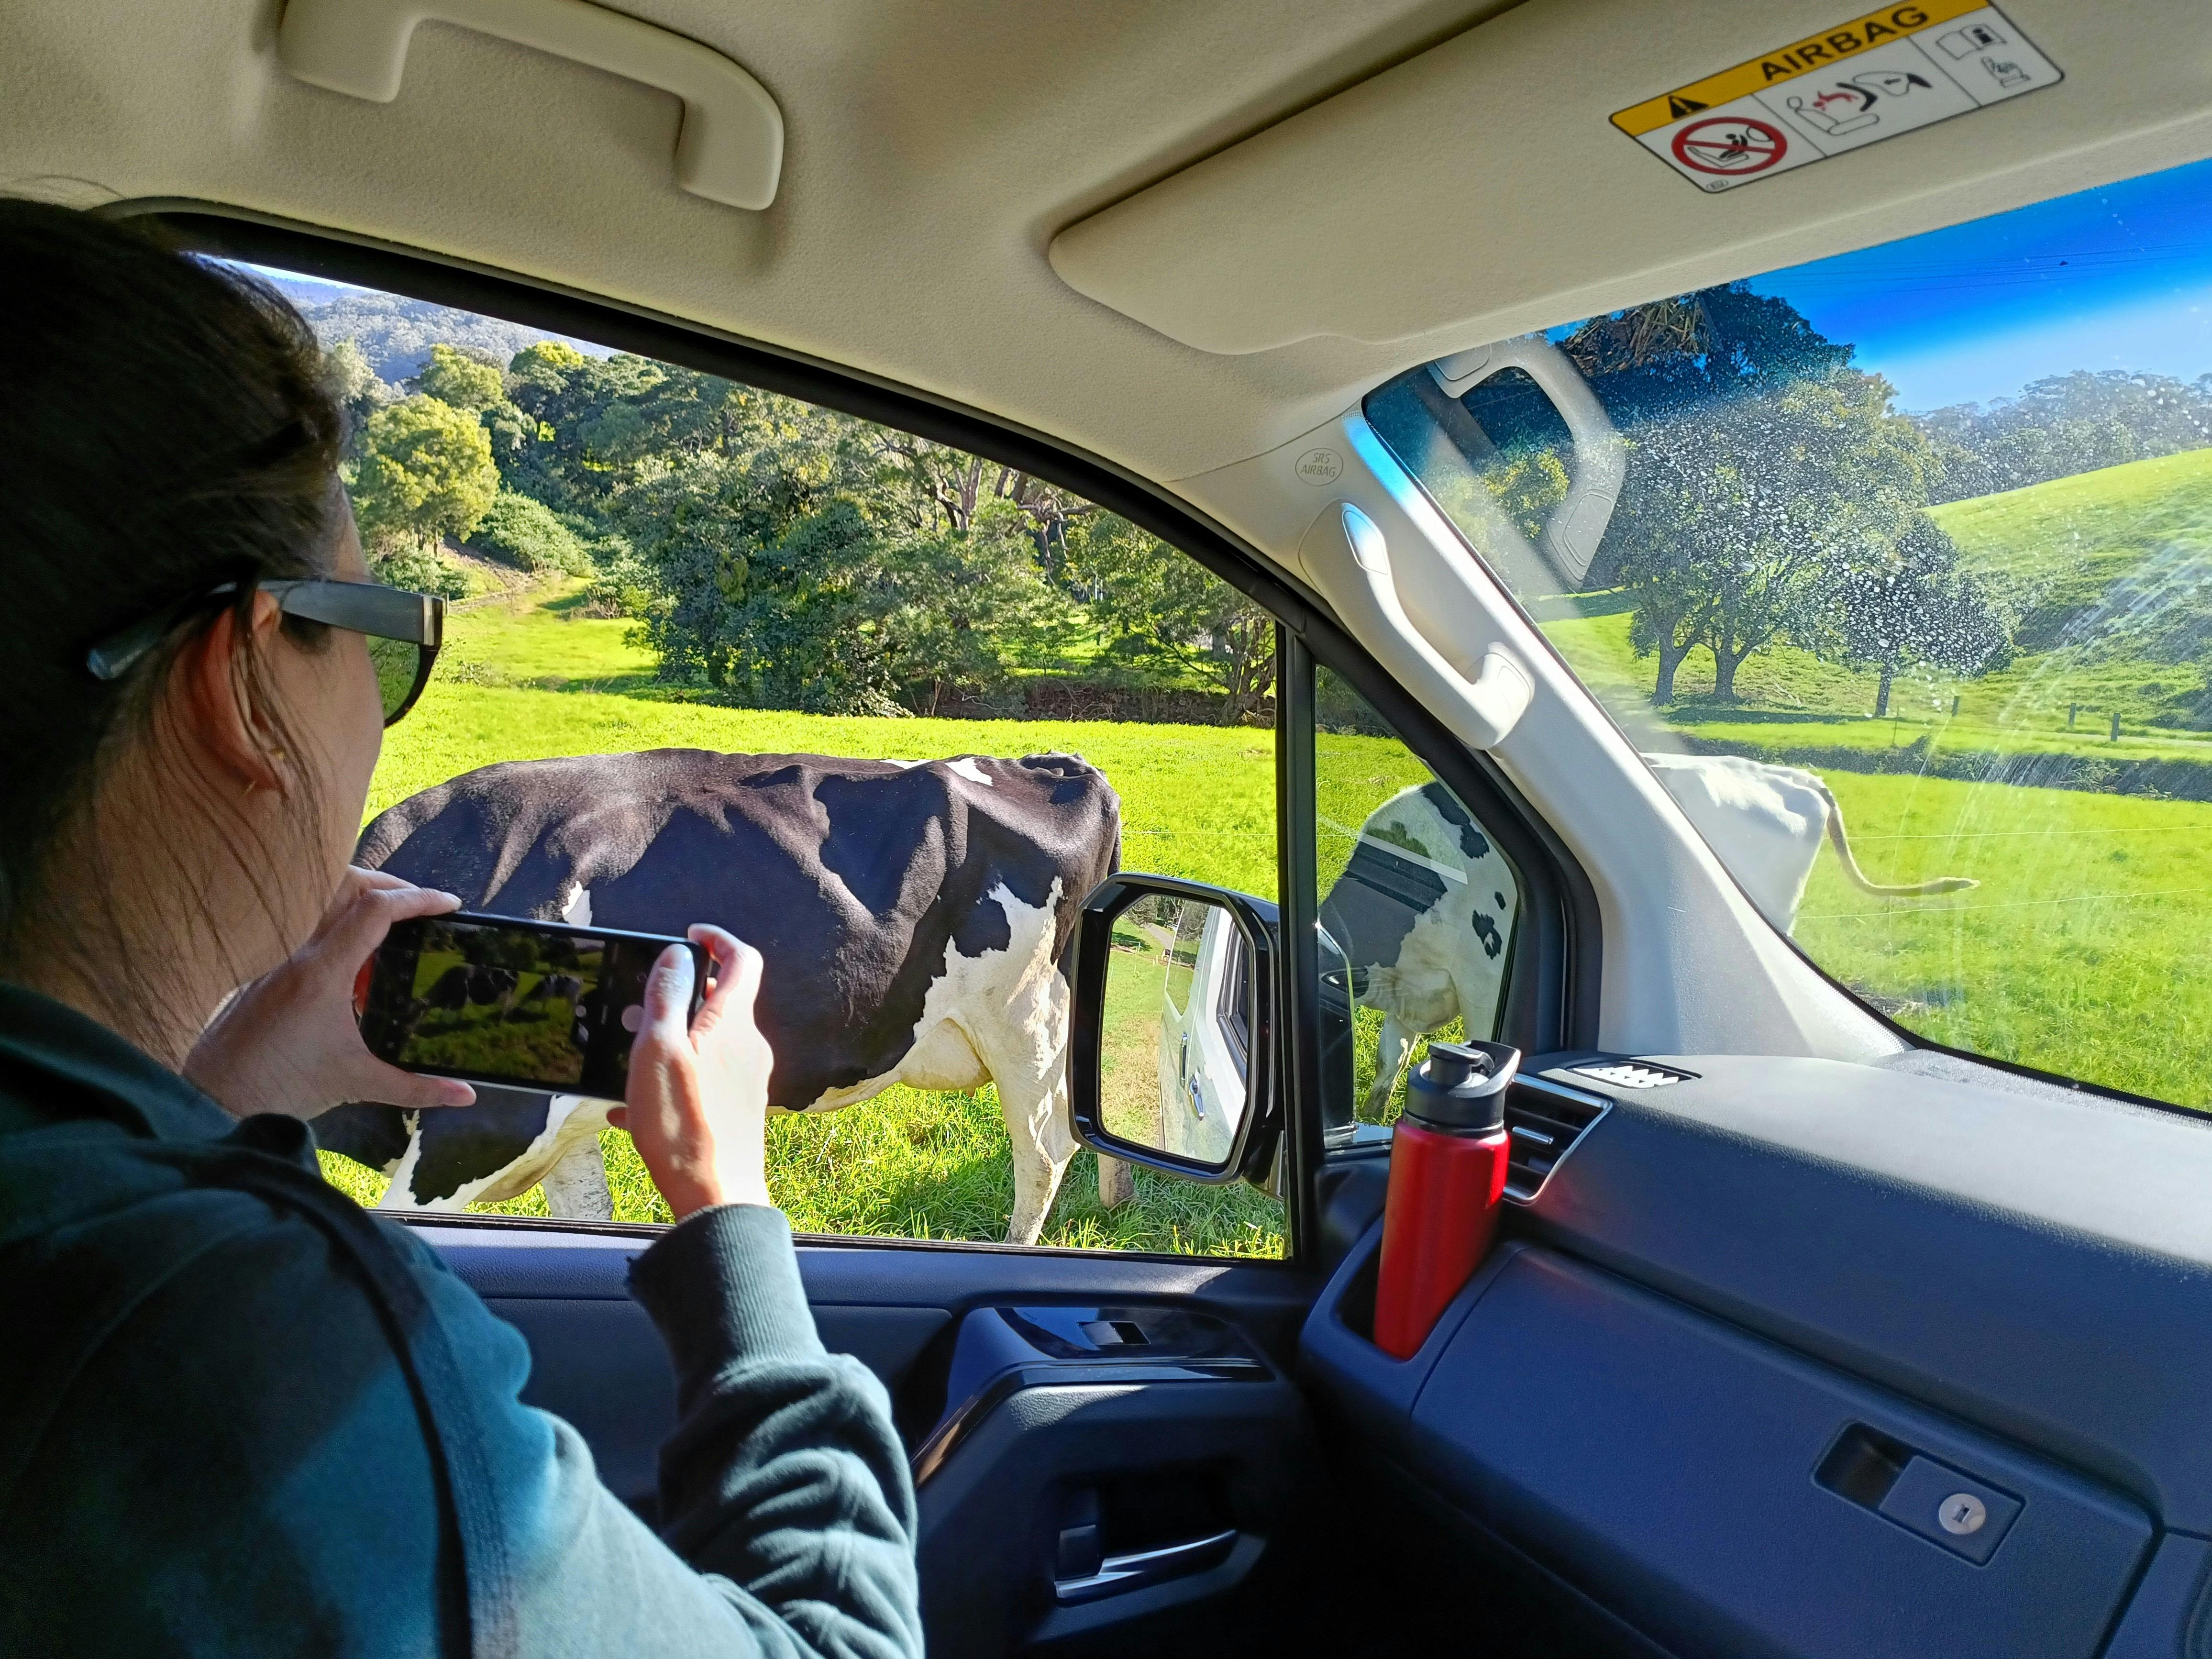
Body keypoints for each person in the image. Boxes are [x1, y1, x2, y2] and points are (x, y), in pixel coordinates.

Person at [0, 199, 923, 1656]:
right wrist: (731, 1214)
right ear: (241, 677)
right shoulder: (263, 1350)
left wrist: (210, 1102)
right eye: (380, 637)